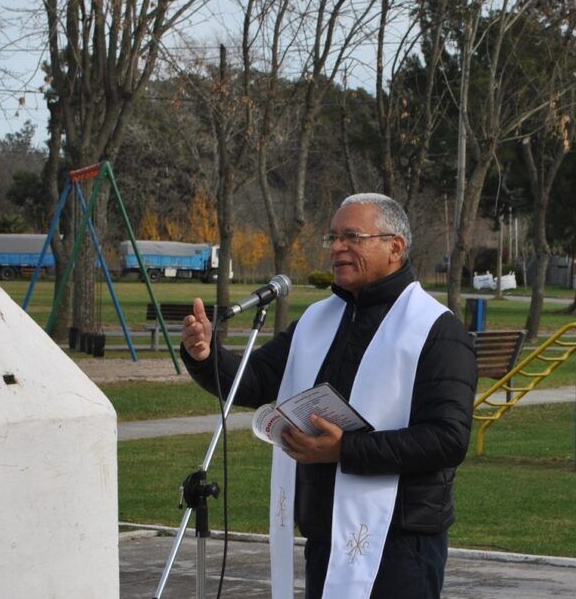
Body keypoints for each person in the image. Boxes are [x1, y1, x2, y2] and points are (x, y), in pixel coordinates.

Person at [180, 193, 476, 598]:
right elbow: (254, 380)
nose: (338, 247)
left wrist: (345, 450)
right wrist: (206, 354)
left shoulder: (436, 330)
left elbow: (447, 439)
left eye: (352, 236)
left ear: (395, 246)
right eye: (333, 237)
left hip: (402, 539)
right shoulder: (318, 321)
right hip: (325, 530)